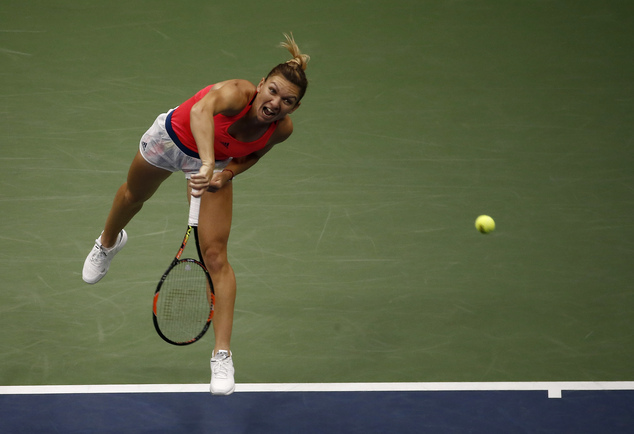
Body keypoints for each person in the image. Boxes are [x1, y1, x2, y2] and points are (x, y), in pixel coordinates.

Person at [82, 33, 310, 395]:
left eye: (288, 101)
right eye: (273, 91)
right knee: (132, 197)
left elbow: (252, 154)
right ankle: (108, 242)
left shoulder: (281, 130)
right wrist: (204, 162)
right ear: (261, 84)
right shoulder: (237, 93)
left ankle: (222, 355)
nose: (275, 103)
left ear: (294, 108)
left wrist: (225, 174)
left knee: (216, 257)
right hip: (171, 139)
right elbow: (201, 110)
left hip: (215, 164)